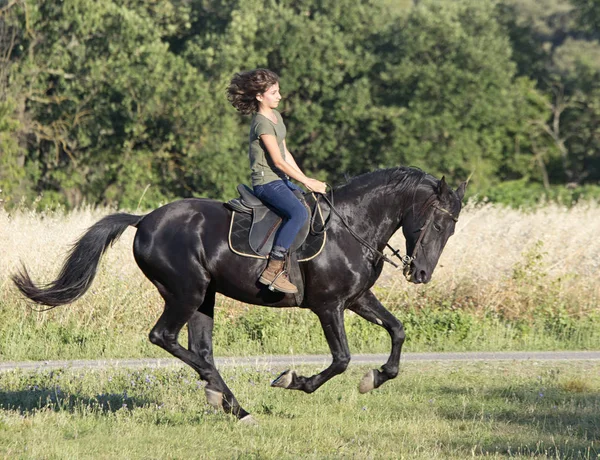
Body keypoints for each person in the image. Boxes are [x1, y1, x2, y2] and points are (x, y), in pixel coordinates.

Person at [227, 69, 327, 294]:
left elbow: (285, 153)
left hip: (280, 180)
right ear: (260, 97)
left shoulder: (276, 117)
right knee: (299, 214)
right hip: (266, 183)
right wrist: (308, 182)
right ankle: (273, 269)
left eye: (278, 91)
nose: (279, 96)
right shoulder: (262, 123)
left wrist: (305, 179)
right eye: (274, 93)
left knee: (308, 206)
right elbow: (278, 162)